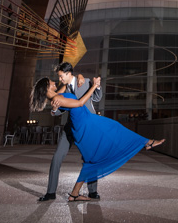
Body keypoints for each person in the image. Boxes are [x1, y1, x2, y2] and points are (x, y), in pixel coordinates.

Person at [30, 74, 165, 203]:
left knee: (99, 149)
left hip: (88, 121)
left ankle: (75, 194)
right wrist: (94, 86)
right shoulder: (56, 99)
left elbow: (67, 85)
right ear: (47, 87)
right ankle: (146, 142)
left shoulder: (57, 94)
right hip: (85, 125)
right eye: (51, 82)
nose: (55, 81)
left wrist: (80, 76)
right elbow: (80, 103)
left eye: (59, 77)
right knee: (107, 138)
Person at [37, 61, 103, 201]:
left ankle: (92, 191)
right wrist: (54, 110)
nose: (59, 80)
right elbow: (59, 110)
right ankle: (50, 192)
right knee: (57, 158)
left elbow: (97, 97)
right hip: (70, 128)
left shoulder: (84, 81)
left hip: (87, 127)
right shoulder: (64, 90)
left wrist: (97, 86)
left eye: (61, 76)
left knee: (90, 158)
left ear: (68, 74)